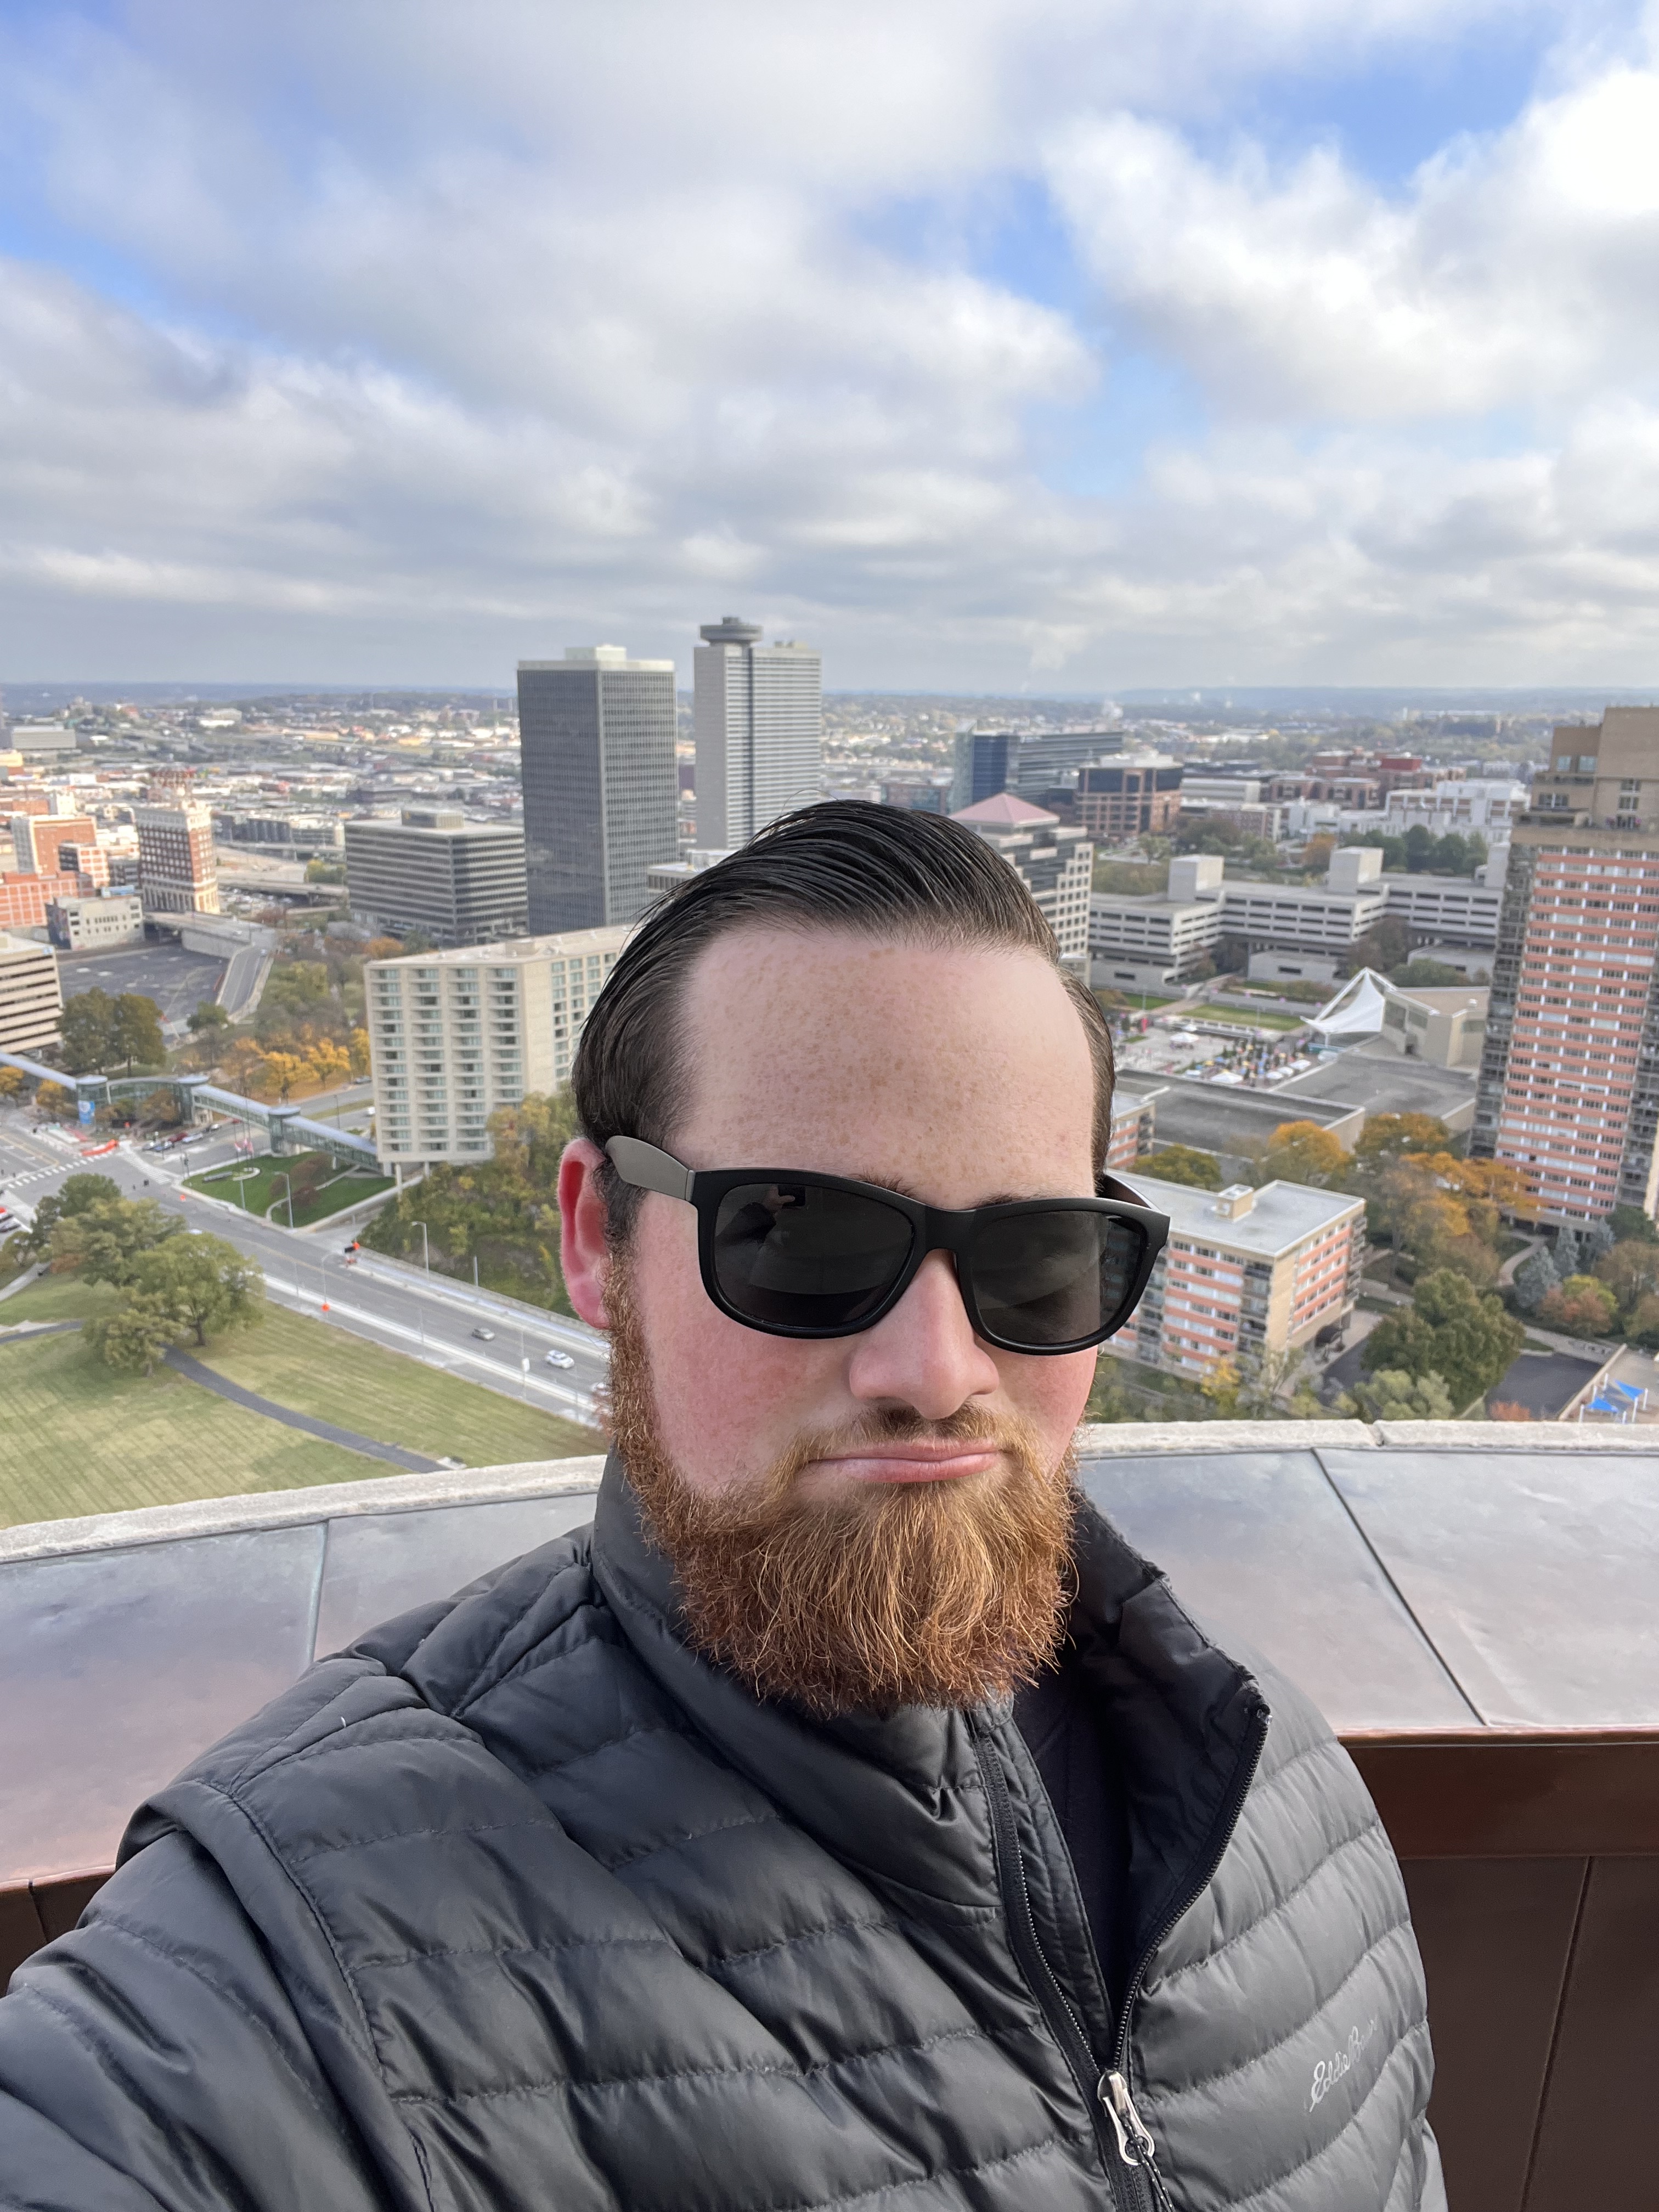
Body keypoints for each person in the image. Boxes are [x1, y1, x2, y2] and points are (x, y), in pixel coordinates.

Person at [0, 804, 1442, 2210]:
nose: (936, 1372)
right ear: (599, 1242)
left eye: (1038, 1254)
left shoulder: (1279, 1793)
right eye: (797, 1235)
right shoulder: (300, 1957)